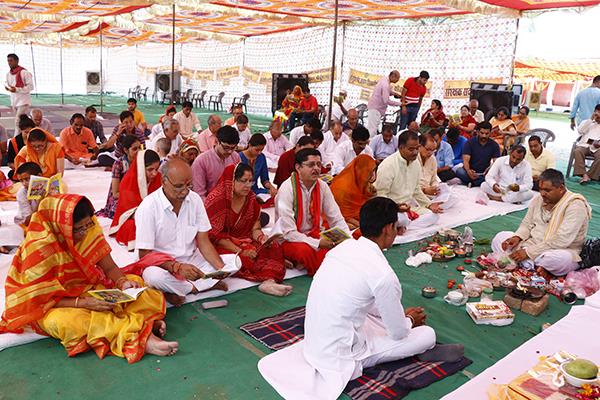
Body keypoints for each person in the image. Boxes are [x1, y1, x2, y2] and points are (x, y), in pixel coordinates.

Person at [297, 197, 459, 400]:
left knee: (374, 314)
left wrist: (398, 316)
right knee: (427, 334)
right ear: (388, 228)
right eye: (396, 226)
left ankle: (397, 325)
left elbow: (366, 302)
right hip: (341, 356)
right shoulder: (383, 275)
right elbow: (398, 333)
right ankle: (416, 350)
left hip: (314, 342)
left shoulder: (341, 248)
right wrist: (409, 320)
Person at [0, 194, 178, 362]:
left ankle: (140, 327)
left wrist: (123, 283)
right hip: (55, 304)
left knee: (141, 288)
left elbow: (109, 267)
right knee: (67, 323)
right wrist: (84, 303)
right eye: (79, 229)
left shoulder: (90, 230)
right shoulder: (39, 249)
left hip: (88, 289)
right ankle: (140, 335)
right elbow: (39, 299)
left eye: (88, 225)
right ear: (60, 227)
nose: (85, 232)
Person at [135, 158, 238, 305]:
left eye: (189, 185)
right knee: (154, 277)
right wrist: (176, 267)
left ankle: (178, 289)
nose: (185, 191)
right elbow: (145, 255)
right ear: (164, 181)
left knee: (234, 262)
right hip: (163, 266)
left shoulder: (194, 199)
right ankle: (198, 287)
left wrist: (221, 270)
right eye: (179, 186)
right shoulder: (148, 207)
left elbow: (203, 242)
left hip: (192, 261)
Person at [205, 164, 292, 296]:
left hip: (245, 240)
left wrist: (262, 238)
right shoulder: (217, 199)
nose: (247, 185)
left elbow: (255, 228)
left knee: (273, 246)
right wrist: (242, 251)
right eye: (243, 181)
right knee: (241, 260)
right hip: (221, 244)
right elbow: (215, 236)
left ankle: (269, 281)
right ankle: (268, 269)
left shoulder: (251, 199)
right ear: (231, 180)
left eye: (250, 181)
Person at [492, 169, 591, 278]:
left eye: (547, 190)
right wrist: (517, 237)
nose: (542, 194)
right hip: (531, 244)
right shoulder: (539, 199)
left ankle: (526, 262)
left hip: (560, 250)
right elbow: (526, 224)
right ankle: (532, 265)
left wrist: (528, 253)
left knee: (554, 259)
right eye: (540, 189)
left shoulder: (575, 205)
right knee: (500, 237)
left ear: (561, 188)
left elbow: (562, 240)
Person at [275, 148, 350, 275]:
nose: (316, 168)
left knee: (344, 244)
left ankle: (302, 262)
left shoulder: (322, 186)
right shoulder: (286, 189)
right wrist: (318, 243)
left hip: (315, 233)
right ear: (298, 167)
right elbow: (288, 232)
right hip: (291, 239)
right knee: (305, 252)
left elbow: (336, 218)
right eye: (311, 165)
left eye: (318, 164)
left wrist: (348, 238)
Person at [374, 130, 443, 215]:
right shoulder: (388, 165)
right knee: (402, 219)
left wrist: (429, 204)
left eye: (417, 148)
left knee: (432, 215)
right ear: (401, 147)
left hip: (409, 207)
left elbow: (416, 190)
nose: (415, 152)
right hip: (390, 209)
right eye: (411, 149)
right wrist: (396, 207)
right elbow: (381, 195)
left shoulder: (415, 163)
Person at [109, 150, 161, 251]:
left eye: (157, 169)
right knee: (133, 227)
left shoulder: (158, 177)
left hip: (155, 215)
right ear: (141, 168)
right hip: (134, 217)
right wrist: (148, 215)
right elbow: (128, 212)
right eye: (150, 170)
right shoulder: (128, 182)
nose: (154, 173)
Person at [96, 135, 141, 219]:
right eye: (135, 149)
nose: (138, 151)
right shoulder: (119, 164)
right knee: (119, 210)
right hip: (122, 196)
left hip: (138, 194)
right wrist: (133, 196)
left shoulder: (142, 161)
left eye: (140, 148)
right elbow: (115, 193)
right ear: (126, 150)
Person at [192, 125, 241, 200]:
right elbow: (199, 194)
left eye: (233, 148)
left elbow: (238, 184)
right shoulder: (201, 161)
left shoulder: (235, 157)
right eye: (226, 148)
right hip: (209, 203)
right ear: (216, 141)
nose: (229, 151)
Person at [330, 154, 377, 230]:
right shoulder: (342, 188)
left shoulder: (362, 181)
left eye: (373, 171)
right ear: (362, 170)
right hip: (341, 220)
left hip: (360, 218)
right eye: (370, 171)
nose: (372, 174)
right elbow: (343, 215)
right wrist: (362, 226)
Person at [456, 122, 500, 187]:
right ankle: (478, 182)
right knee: (459, 171)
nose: (484, 136)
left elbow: (496, 162)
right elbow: (465, 161)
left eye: (487, 133)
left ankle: (472, 183)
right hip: (470, 171)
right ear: (478, 132)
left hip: (484, 173)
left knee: (496, 176)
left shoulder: (494, 145)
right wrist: (468, 171)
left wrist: (490, 169)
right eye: (482, 133)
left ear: (490, 133)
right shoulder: (470, 143)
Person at [239, 134, 278, 198]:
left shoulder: (261, 157)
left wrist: (271, 188)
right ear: (250, 145)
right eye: (257, 150)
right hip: (241, 190)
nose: (259, 152)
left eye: (261, 150)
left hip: (255, 190)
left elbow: (265, 180)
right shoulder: (239, 157)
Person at [367, 70, 402, 138]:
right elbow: (386, 100)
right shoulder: (385, 84)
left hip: (375, 108)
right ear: (393, 76)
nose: (398, 80)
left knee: (372, 128)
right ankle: (370, 143)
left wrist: (394, 93)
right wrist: (400, 104)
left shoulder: (384, 79)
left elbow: (385, 91)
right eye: (398, 78)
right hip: (376, 109)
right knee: (372, 130)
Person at [6, 54, 33, 136]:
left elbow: (30, 87)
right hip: (14, 101)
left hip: (23, 101)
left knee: (17, 121)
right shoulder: (8, 74)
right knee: (22, 121)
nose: (9, 62)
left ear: (17, 61)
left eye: (11, 60)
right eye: (8, 61)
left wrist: (17, 89)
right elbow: (9, 85)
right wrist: (9, 88)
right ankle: (26, 135)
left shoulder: (24, 72)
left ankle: (16, 139)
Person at [573, 104, 600, 184]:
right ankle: (584, 175)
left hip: (598, 148)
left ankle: (589, 175)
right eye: (597, 112)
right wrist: (591, 119)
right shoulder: (586, 122)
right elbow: (580, 131)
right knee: (577, 151)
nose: (598, 115)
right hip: (584, 145)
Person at [13, 162, 42, 226]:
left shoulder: (49, 186)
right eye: (21, 181)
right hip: (29, 221)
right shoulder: (22, 193)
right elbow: (28, 221)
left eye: (27, 179)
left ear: (39, 176)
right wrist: (40, 202)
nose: (24, 183)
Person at [7, 115, 35, 180]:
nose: (28, 135)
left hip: (34, 169)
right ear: (20, 130)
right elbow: (10, 163)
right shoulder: (13, 142)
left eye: (30, 132)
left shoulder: (36, 140)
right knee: (11, 174)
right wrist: (21, 168)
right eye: (26, 132)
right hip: (20, 169)